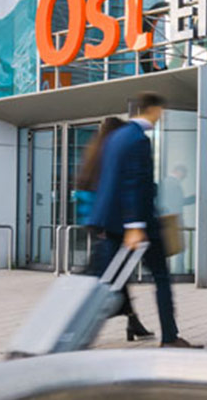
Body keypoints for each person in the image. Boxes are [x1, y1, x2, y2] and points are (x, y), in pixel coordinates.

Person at [87, 92, 201, 349]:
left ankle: (81, 332)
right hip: (136, 224)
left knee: (105, 280)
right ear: (151, 110)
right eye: (160, 112)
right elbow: (134, 184)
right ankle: (170, 337)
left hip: (111, 220)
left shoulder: (116, 137)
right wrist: (135, 226)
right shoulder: (138, 140)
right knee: (160, 276)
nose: (161, 117)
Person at [75, 116, 154, 342]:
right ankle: (80, 323)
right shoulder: (109, 157)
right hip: (108, 226)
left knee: (117, 276)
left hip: (99, 223)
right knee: (105, 278)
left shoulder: (95, 154)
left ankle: (133, 322)